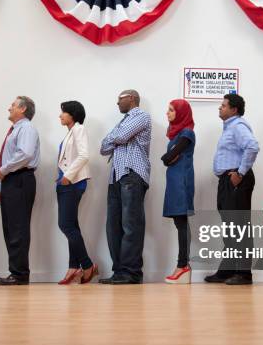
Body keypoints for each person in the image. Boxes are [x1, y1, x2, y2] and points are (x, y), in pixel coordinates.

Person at [205, 93, 259, 285]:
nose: (220, 108)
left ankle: (244, 274)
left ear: (234, 109)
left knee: (239, 227)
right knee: (230, 228)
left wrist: (241, 173)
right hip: (228, 181)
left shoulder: (238, 126)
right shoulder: (229, 127)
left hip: (236, 179)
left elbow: (252, 146)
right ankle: (227, 269)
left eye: (223, 105)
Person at [99, 90, 151, 285]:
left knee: (131, 225)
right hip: (116, 176)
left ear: (131, 98)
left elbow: (119, 137)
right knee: (113, 226)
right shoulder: (123, 121)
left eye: (119, 99)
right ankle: (119, 271)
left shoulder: (141, 116)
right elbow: (103, 148)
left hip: (132, 174)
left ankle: (132, 272)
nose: (117, 103)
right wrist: (116, 137)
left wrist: (116, 137)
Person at [0, 96, 40, 286]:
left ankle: (20, 274)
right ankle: (16, 271)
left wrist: (3, 171)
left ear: (22, 109)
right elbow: (8, 158)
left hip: (20, 179)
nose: (9, 108)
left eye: (12, 105)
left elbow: (25, 154)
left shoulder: (26, 128)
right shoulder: (16, 130)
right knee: (11, 228)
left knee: (17, 228)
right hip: (12, 180)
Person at [56, 101, 99, 285]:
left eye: (63, 112)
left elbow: (84, 155)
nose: (60, 115)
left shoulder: (79, 129)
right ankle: (73, 266)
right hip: (66, 183)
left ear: (72, 115)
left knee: (65, 225)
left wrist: (67, 176)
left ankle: (88, 266)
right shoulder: (70, 133)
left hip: (72, 183)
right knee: (71, 225)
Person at [161, 99, 195, 284]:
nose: (168, 113)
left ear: (181, 113)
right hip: (175, 181)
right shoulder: (177, 134)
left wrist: (168, 158)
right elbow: (169, 157)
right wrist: (168, 158)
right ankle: (183, 265)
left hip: (181, 181)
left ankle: (183, 266)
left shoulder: (187, 133)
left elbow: (168, 157)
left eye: (172, 110)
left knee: (181, 222)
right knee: (179, 222)